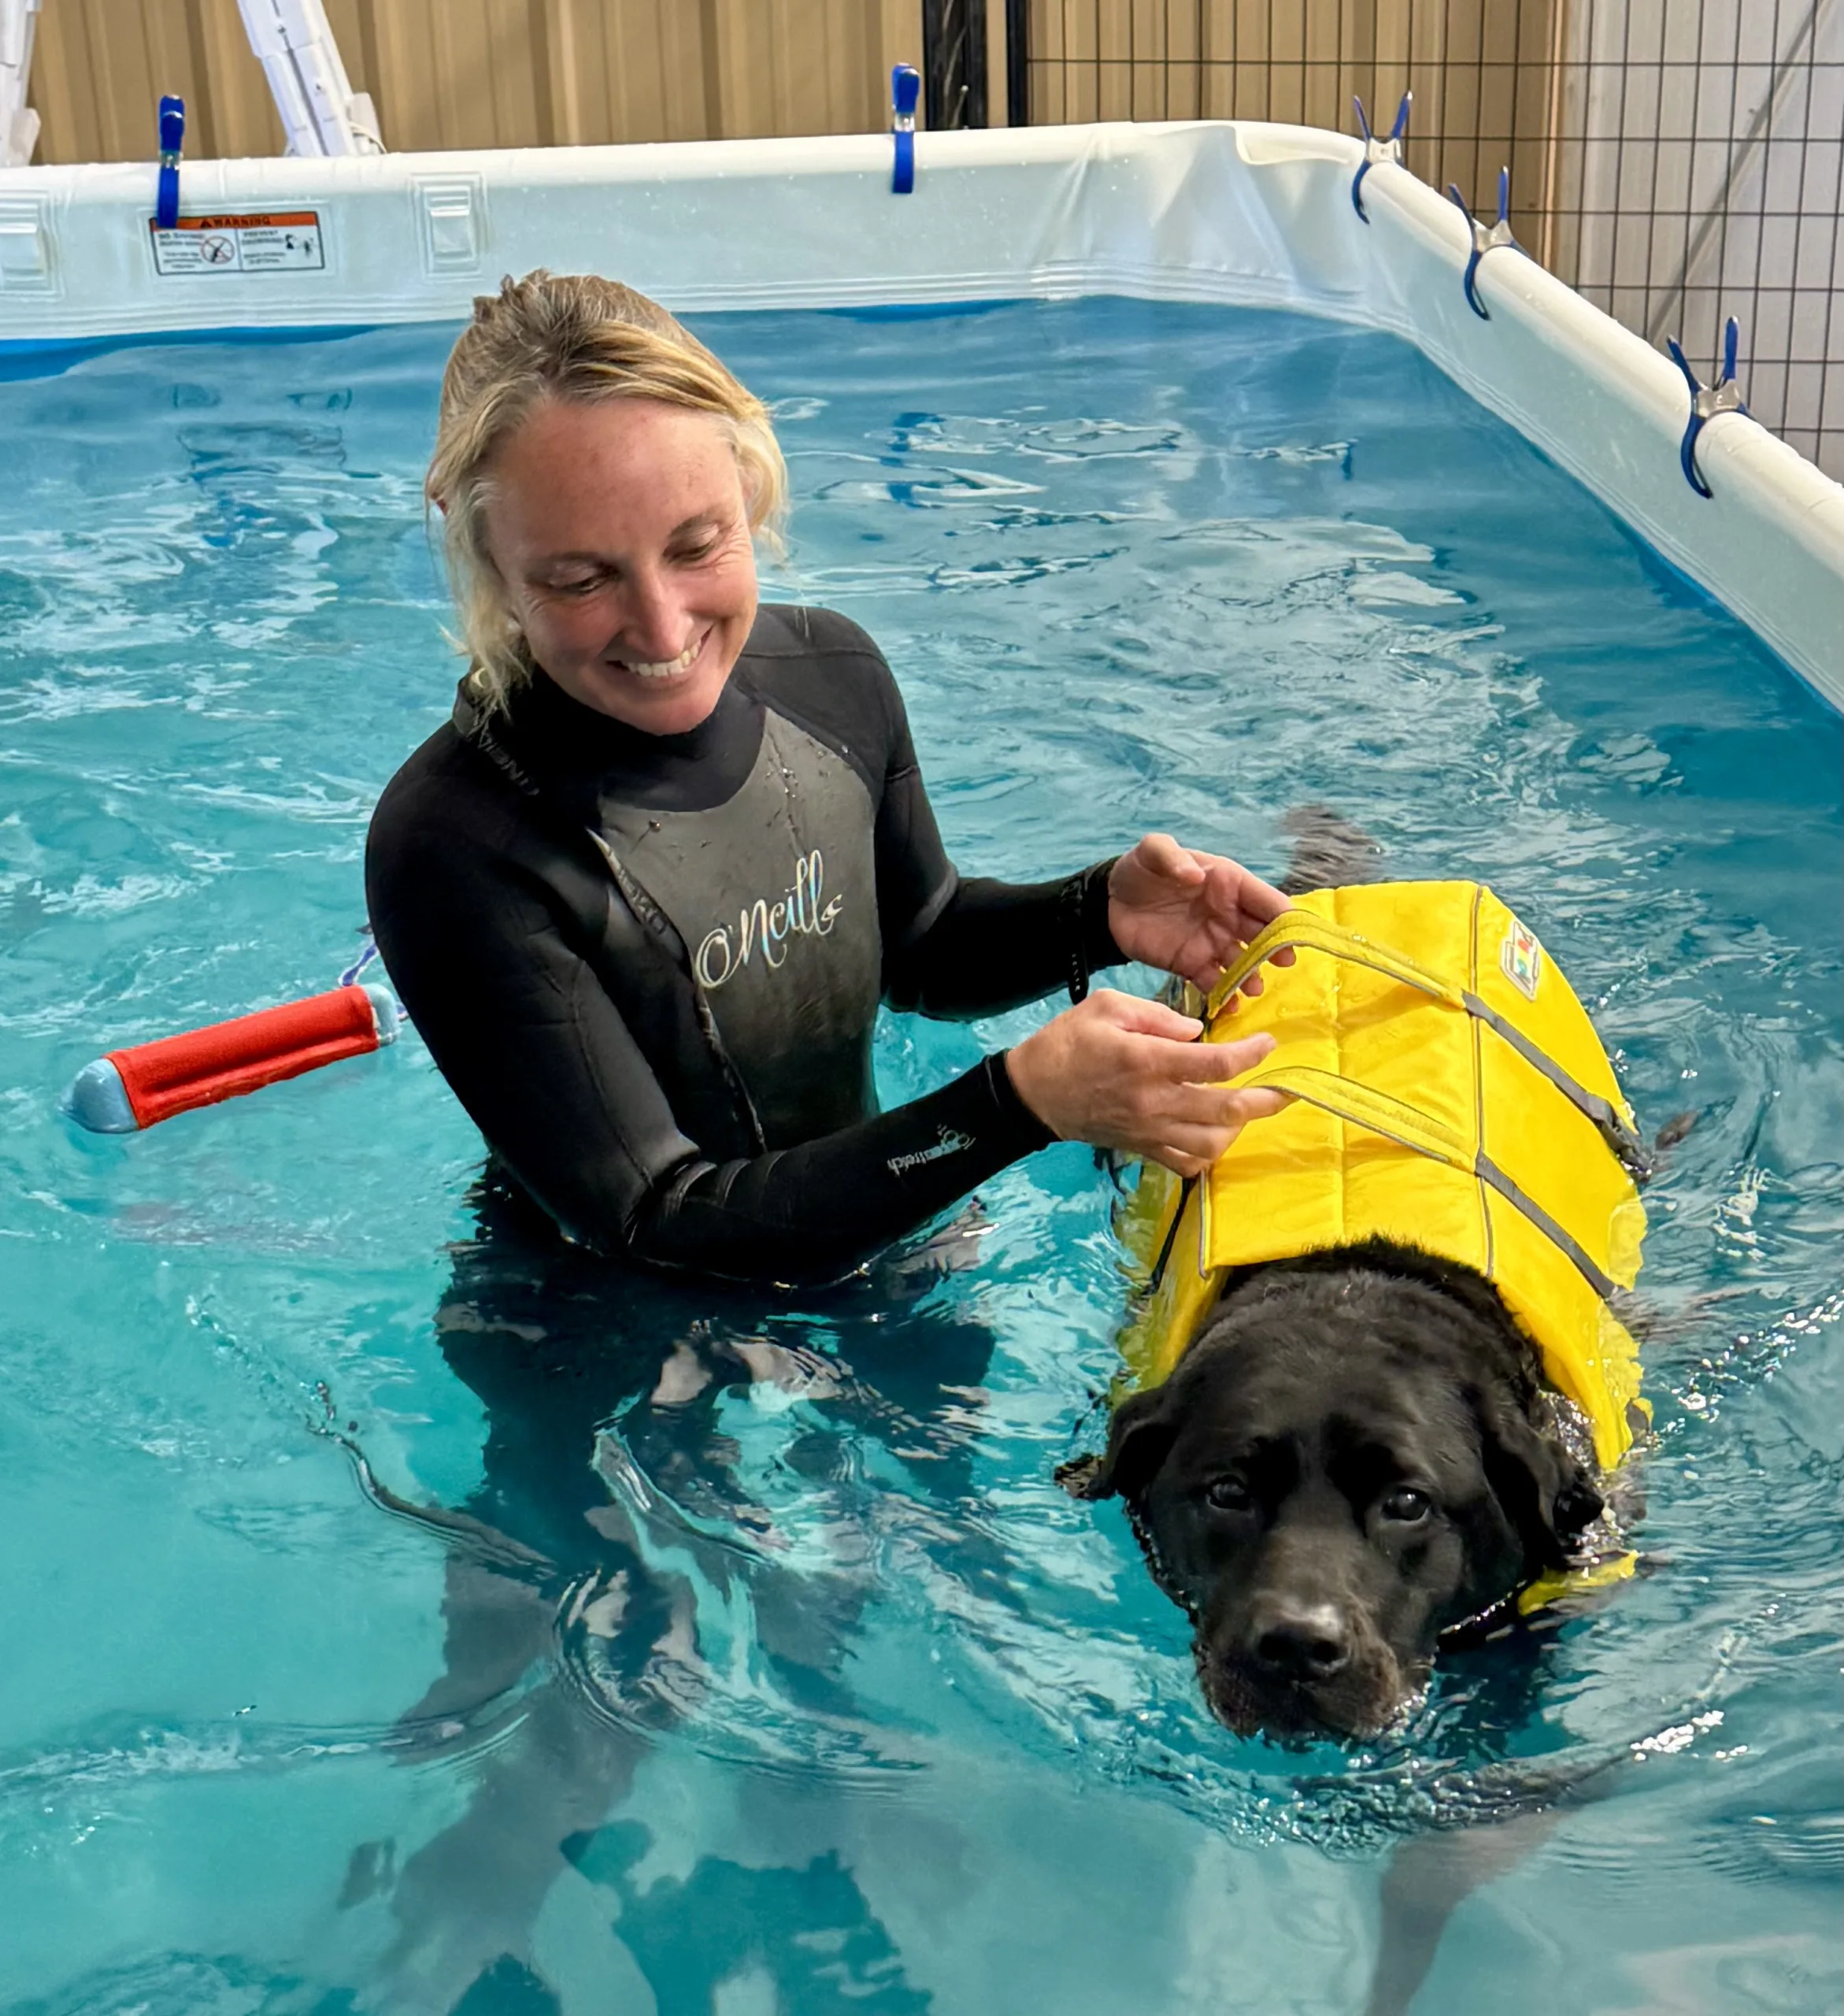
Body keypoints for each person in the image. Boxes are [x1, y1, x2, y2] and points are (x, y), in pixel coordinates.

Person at [365, 271, 1290, 1285]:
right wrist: (1013, 1107)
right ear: (483, 549)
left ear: (751, 486)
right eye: (582, 580)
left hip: (881, 1223)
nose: (665, 629)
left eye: (698, 544)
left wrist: (1097, 915)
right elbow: (647, 1214)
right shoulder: (455, 844)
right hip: (607, 1332)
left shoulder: (832, 680)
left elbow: (921, 945)